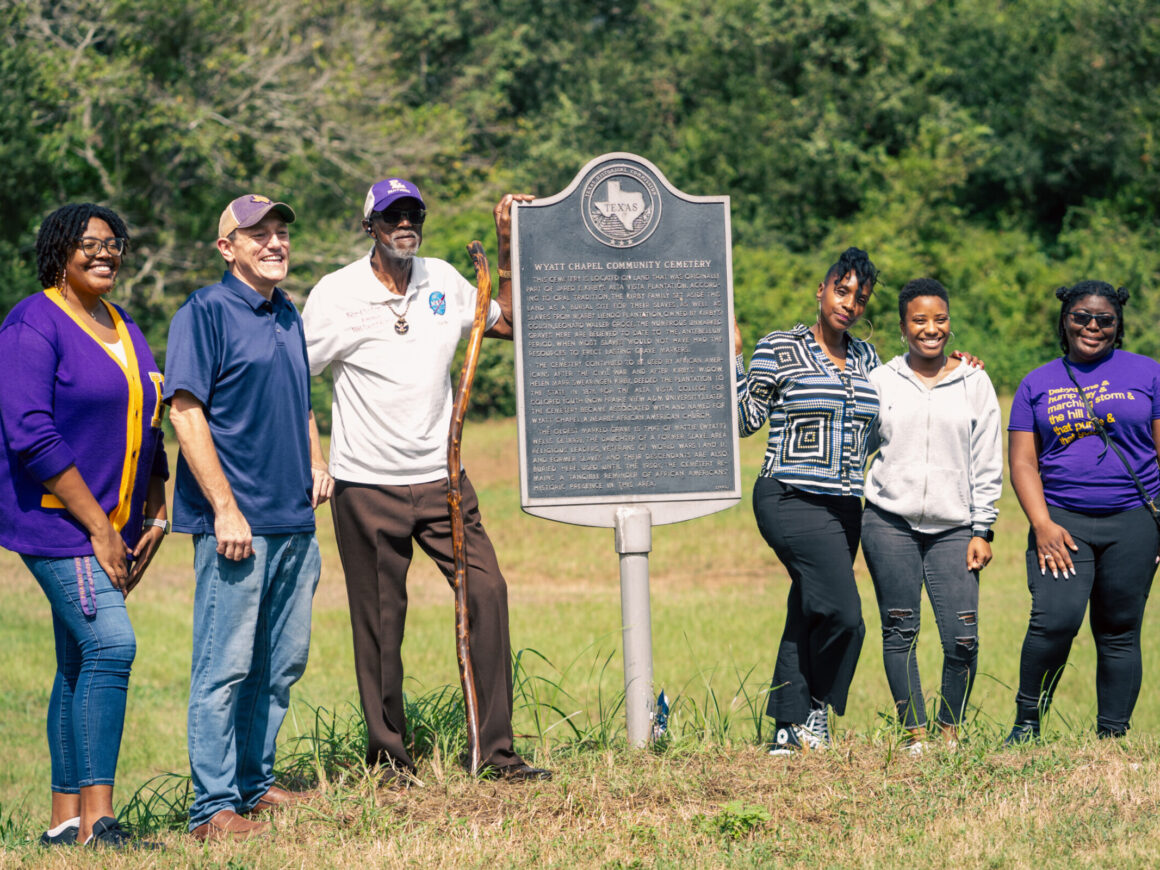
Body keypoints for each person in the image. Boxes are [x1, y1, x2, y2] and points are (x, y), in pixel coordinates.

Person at [302, 177, 549, 781]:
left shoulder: (443, 279)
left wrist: (507, 246)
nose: (404, 223)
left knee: (487, 594)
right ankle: (389, 761)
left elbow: (510, 321)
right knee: (381, 622)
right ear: (370, 226)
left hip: (444, 482)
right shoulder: (336, 294)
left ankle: (496, 755)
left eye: (413, 213)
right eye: (392, 215)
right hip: (366, 487)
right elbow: (289, 380)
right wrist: (315, 457)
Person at [164, 194, 334, 840]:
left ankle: (253, 786)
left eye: (282, 232)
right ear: (226, 248)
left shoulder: (287, 313)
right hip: (237, 527)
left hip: (294, 521)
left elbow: (302, 402)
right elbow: (185, 412)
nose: (275, 243)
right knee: (225, 666)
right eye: (257, 234)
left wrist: (317, 461)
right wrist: (225, 508)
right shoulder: (204, 312)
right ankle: (212, 810)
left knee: (280, 663)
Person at [0, 204, 168, 849]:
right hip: (58, 523)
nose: (105, 253)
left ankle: (64, 821)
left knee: (77, 661)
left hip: (113, 523)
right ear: (58, 252)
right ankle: (101, 824)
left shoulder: (122, 324)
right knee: (111, 647)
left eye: (114, 243)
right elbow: (30, 434)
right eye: (88, 243)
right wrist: (100, 527)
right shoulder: (32, 323)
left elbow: (151, 417)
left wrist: (153, 506)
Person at [735, 247, 881, 755]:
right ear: (821, 290)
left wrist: (950, 366)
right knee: (843, 614)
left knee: (808, 609)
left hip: (847, 506)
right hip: (790, 495)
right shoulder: (778, 347)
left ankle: (785, 728)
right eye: (842, 291)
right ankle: (815, 708)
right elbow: (745, 420)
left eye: (859, 298)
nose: (849, 304)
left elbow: (893, 416)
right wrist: (733, 356)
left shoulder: (868, 358)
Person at [1005, 280, 1160, 744]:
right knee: (1055, 620)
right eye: (1081, 317)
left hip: (1134, 519)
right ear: (1065, 320)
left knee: (1118, 629)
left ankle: (1111, 738)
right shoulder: (1037, 381)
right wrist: (1042, 524)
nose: (1092, 326)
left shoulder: (1148, 373)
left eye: (1104, 320)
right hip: (1062, 521)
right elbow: (1022, 462)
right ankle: (1026, 725)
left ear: (1118, 326)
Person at [860, 278, 1002, 752]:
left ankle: (950, 730)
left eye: (939, 319)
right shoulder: (881, 380)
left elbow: (986, 461)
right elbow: (858, 445)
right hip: (888, 522)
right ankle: (913, 735)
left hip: (955, 528)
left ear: (950, 323)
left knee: (963, 639)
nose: (931, 329)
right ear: (903, 327)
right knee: (900, 629)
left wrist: (983, 528)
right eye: (919, 320)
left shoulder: (974, 381)